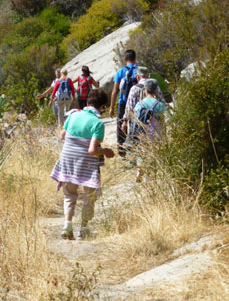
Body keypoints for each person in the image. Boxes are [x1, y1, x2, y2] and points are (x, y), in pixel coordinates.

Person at [50, 89, 115, 240]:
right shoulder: (98, 123)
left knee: (69, 194)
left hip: (67, 160)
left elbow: (62, 135)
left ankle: (67, 225)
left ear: (88, 102)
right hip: (86, 163)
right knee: (89, 196)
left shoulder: (73, 115)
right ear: (102, 107)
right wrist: (106, 151)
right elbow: (92, 150)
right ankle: (84, 229)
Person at [109, 49, 138, 155]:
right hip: (136, 104)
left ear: (125, 59)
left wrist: (112, 107)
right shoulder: (139, 70)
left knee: (121, 126)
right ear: (135, 58)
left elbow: (115, 91)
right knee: (135, 126)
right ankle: (135, 150)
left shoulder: (120, 71)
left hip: (123, 103)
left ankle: (122, 152)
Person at [122, 67, 164, 135]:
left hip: (139, 125)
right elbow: (162, 101)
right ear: (148, 75)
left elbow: (129, 108)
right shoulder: (155, 86)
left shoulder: (134, 88)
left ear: (137, 77)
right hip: (156, 124)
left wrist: (124, 121)